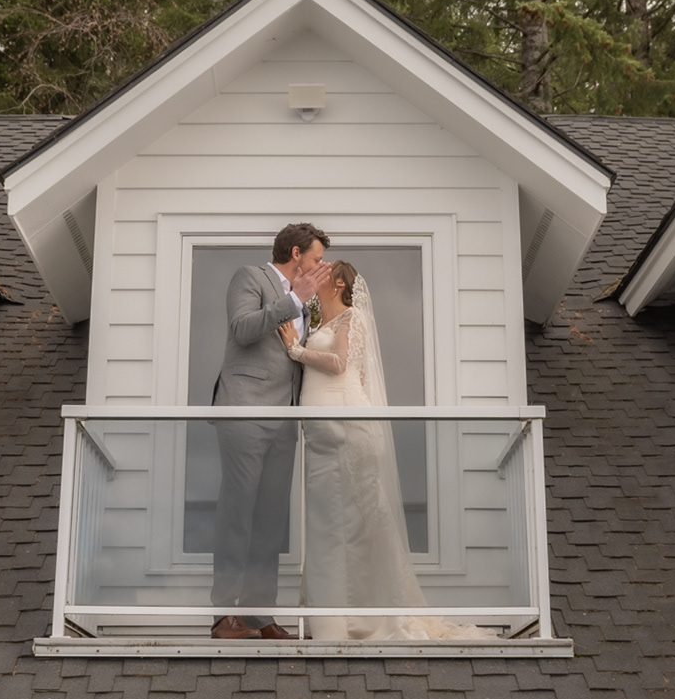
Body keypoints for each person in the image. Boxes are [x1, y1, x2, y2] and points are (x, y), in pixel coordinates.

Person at [280, 262, 488, 641]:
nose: (316, 273)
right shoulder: (320, 324)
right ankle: (328, 621)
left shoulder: (353, 317)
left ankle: (367, 619)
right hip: (320, 437)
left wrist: (295, 349)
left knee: (358, 524)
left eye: (325, 270)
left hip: (346, 429)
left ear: (338, 282)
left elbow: (341, 364)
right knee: (326, 526)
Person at [208, 223, 334, 640]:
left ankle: (258, 616)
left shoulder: (307, 302)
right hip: (245, 412)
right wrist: (294, 298)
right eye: (316, 258)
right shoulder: (250, 276)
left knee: (270, 521)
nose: (321, 266)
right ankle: (223, 617)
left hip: (285, 420)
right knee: (238, 513)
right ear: (296, 254)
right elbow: (243, 328)